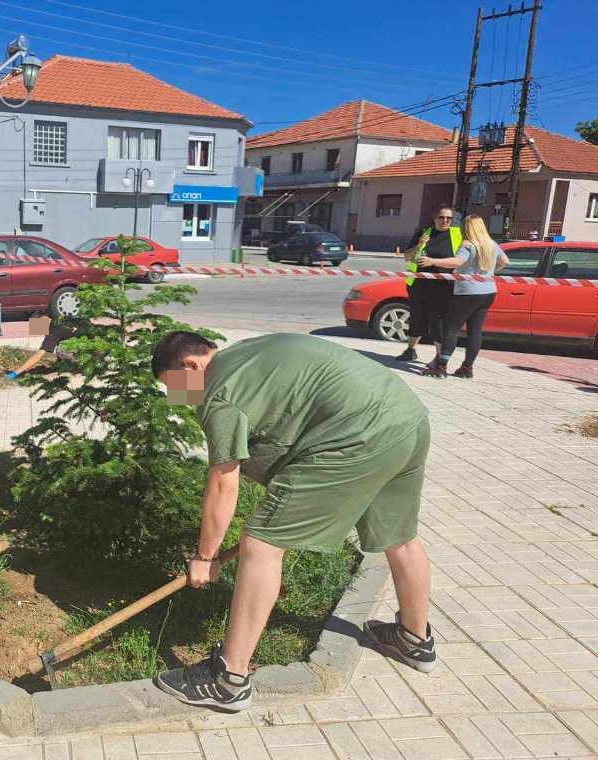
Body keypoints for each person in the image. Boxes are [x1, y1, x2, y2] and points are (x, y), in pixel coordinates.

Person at [151, 332, 435, 712]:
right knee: (400, 536)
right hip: (406, 417)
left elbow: (223, 481)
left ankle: (228, 679)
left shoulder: (216, 389)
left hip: (355, 435)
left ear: (190, 366)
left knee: (261, 545)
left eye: (175, 388)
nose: (180, 400)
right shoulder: (249, 353)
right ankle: (414, 640)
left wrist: (206, 556)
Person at [417, 214, 509, 378]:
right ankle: (467, 368)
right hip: (488, 291)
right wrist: (488, 271)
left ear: (467, 228)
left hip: (468, 292)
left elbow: (457, 262)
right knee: (475, 331)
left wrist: (432, 261)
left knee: (451, 328)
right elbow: (505, 261)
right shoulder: (492, 244)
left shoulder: (468, 245)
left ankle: (441, 367)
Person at [396, 205, 463, 364]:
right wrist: (419, 245)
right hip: (418, 284)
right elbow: (407, 257)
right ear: (434, 219)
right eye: (441, 217)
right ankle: (410, 350)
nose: (445, 221)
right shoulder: (424, 233)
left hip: (443, 287)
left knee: (437, 322)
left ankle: (439, 357)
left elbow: (462, 260)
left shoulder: (457, 235)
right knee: (416, 318)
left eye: (449, 218)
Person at [5, 318, 76, 380]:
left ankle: (76, 365)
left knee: (61, 349)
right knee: (63, 343)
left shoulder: (53, 333)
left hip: (81, 350)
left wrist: (16, 373)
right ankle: (62, 364)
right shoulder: (57, 318)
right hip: (84, 340)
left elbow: (38, 356)